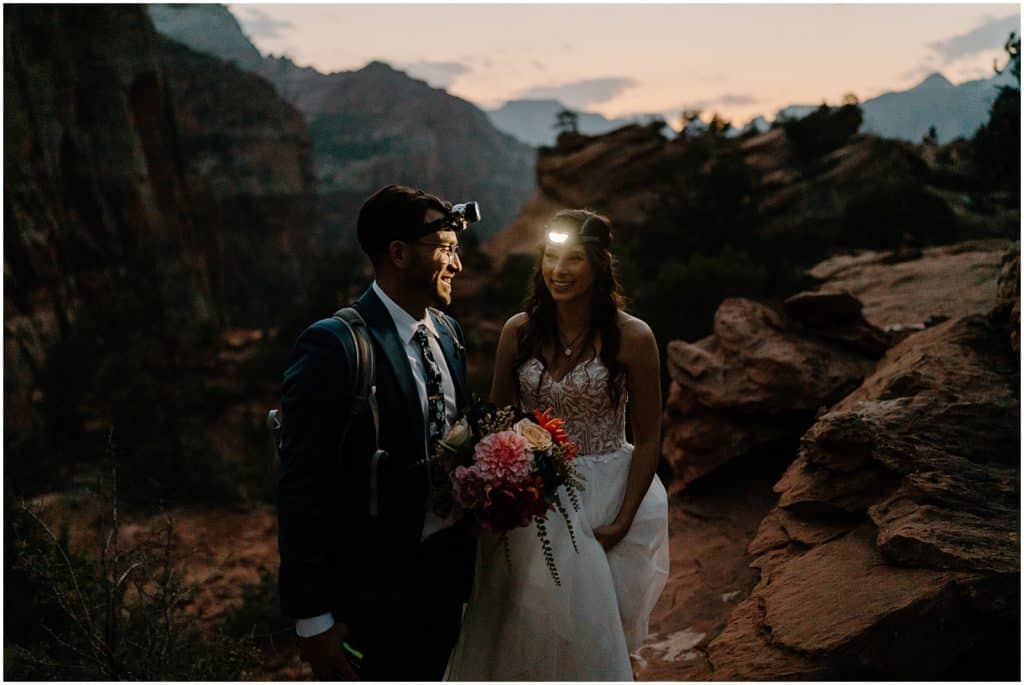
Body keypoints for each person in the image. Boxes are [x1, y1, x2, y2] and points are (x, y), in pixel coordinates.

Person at [445, 209, 670, 681]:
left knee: (582, 629)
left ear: (599, 266)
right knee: (520, 619)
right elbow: (498, 421)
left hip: (604, 492)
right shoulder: (519, 331)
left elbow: (649, 436)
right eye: (551, 257)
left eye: (573, 259)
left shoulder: (634, 337)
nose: (559, 270)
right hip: (532, 498)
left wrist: (624, 519)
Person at [277, 184, 475, 681]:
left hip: (451, 584)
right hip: (372, 599)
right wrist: (312, 618)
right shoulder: (336, 345)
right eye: (447, 250)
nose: (458, 265)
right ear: (399, 254)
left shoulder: (448, 336)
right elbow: (302, 487)